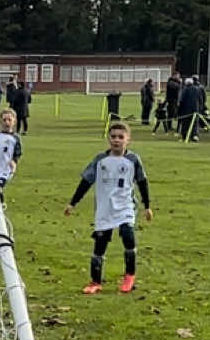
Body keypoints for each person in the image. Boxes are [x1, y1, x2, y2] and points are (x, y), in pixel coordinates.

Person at [64, 121, 152, 294]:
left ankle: (129, 276)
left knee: (128, 236)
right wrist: (72, 203)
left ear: (128, 140)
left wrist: (147, 206)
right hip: (104, 209)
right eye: (113, 137)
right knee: (100, 244)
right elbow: (85, 182)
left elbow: (142, 183)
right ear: (108, 139)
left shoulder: (133, 160)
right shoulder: (100, 160)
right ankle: (95, 281)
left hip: (125, 206)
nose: (116, 140)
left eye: (121, 137)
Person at [0, 108, 22, 199]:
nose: (7, 122)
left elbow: (17, 153)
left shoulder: (15, 139)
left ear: (14, 122)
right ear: (0, 122)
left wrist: (14, 162)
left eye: (9, 120)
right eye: (4, 120)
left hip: (5, 169)